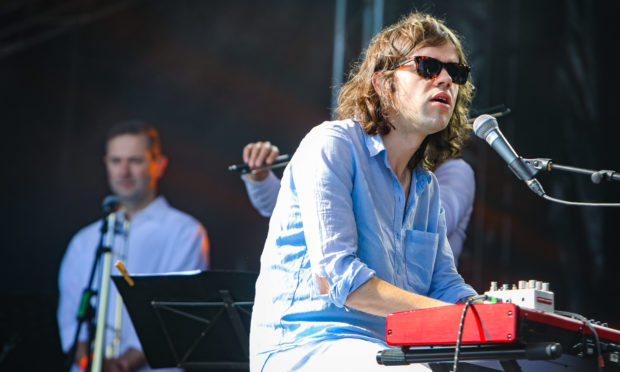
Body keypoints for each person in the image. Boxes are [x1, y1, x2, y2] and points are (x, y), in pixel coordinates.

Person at [249, 12, 477, 372]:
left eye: (457, 72)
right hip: (304, 347)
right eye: (428, 66)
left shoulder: (427, 187)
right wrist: (463, 317)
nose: (447, 79)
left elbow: (444, 286)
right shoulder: (332, 145)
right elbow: (340, 279)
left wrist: (507, 313)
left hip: (387, 354)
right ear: (383, 83)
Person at [57, 121, 209, 372]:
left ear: (158, 165)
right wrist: (89, 361)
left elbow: (174, 312)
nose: (124, 171)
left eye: (135, 160)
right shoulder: (85, 240)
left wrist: (123, 365)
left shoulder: (184, 231)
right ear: (106, 164)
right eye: (116, 161)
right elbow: (70, 316)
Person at [241, 142, 474, 263]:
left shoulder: (456, 171)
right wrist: (261, 179)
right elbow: (294, 209)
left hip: (424, 311)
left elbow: (427, 222)